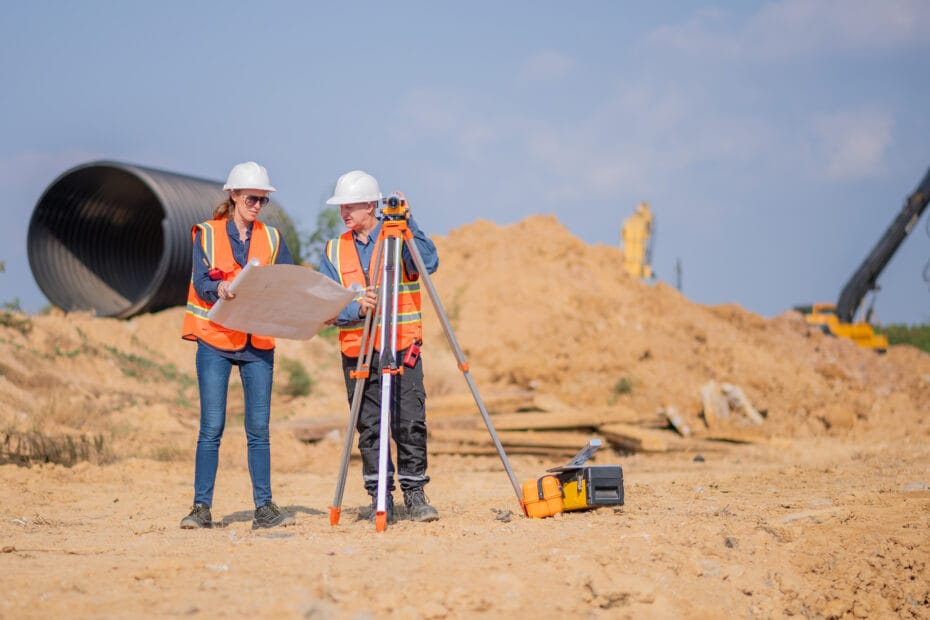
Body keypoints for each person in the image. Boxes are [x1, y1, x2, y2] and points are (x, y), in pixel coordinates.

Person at [179, 161, 296, 530]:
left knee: (258, 431)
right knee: (211, 427)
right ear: (233, 195)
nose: (257, 205)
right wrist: (220, 289)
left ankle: (264, 508)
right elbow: (200, 281)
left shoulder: (273, 239)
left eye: (263, 200)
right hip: (216, 340)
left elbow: (287, 281)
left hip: (257, 344)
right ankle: (201, 508)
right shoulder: (208, 234)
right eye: (251, 198)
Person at [318, 170, 440, 523]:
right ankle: (378, 495)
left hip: (402, 346)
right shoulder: (333, 250)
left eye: (350, 207)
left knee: (409, 422)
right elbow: (324, 303)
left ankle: (415, 493)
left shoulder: (399, 239)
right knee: (369, 427)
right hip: (359, 349)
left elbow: (428, 263)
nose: (344, 214)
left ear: (371, 205)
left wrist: (407, 221)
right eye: (341, 207)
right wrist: (356, 308)